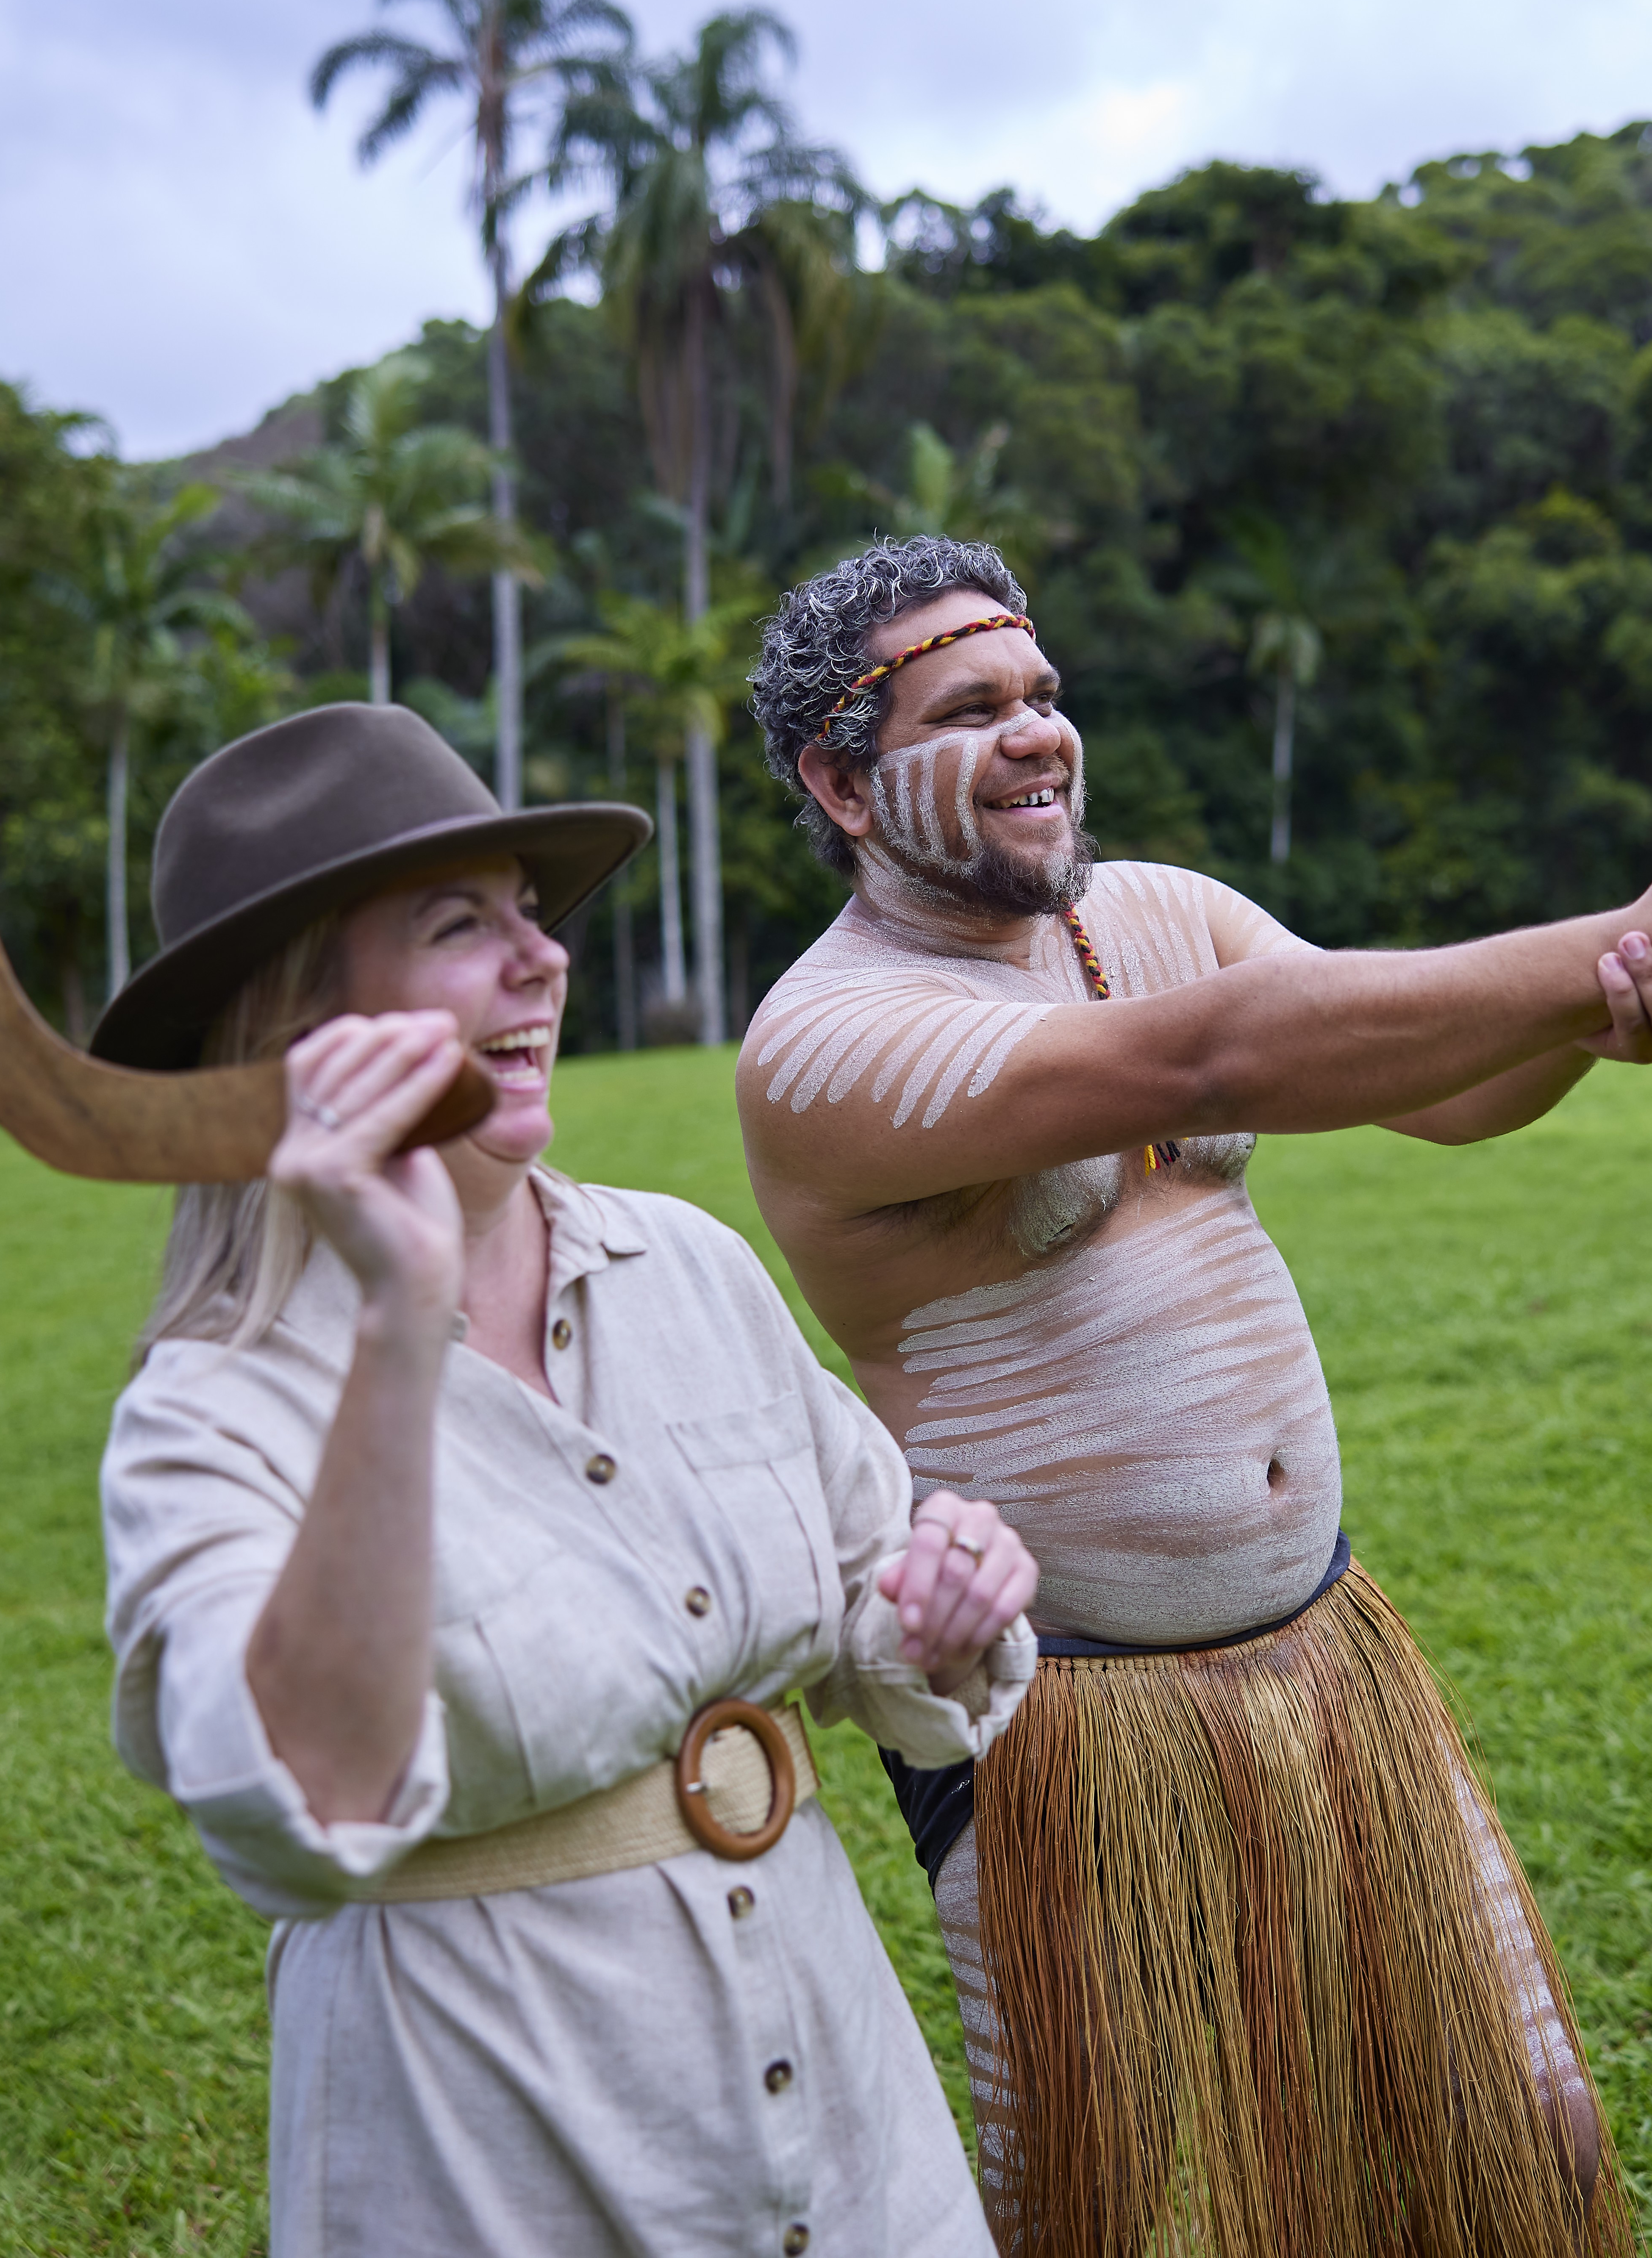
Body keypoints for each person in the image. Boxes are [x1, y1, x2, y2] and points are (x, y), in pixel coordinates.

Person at [736, 540, 1652, 2257]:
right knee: (1118, 2207)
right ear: (842, 784)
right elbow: (1222, 1055)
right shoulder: (827, 1044)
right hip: (1066, 1728)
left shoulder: (1158, 916)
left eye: (1044, 695)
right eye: (970, 710)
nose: (1036, 734)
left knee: (1527, 2132)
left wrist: (1606, 1013)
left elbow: (1447, 1091)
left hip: (1329, 1654)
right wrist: (1616, 937)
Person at [90, 705, 1041, 2258]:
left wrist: (933, 1614)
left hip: (853, 2130)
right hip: (489, 2159)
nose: (543, 961)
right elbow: (294, 1817)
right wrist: (396, 1325)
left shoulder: (688, 1266)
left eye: (531, 914)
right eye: (459, 927)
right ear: (298, 1024)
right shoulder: (212, 1410)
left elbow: (867, 1593)